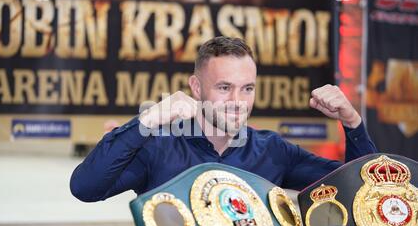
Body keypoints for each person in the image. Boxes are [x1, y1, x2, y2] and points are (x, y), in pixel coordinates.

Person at [70, 36, 377, 202]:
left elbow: (361, 190)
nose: (237, 102)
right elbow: (85, 188)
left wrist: (353, 124)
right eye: (224, 88)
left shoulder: (273, 151)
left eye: (247, 89)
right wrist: (146, 121)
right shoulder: (158, 146)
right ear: (196, 86)